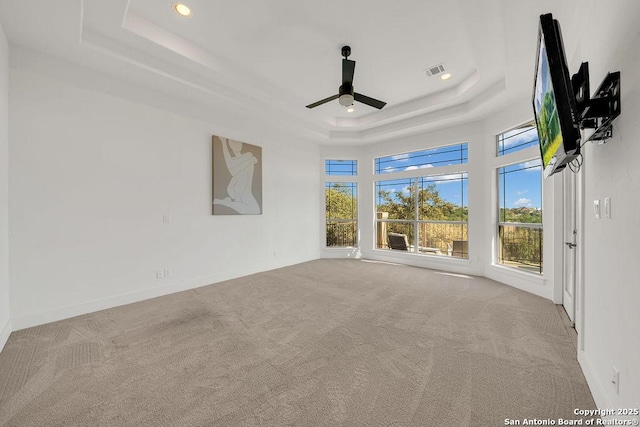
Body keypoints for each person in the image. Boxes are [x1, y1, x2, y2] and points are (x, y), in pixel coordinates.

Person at [213, 138, 260, 214]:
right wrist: (224, 143)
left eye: (239, 143)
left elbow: (232, 166)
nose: (237, 145)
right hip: (234, 190)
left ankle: (223, 202)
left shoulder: (248, 154)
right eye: (232, 143)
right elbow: (233, 171)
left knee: (256, 210)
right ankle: (226, 201)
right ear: (230, 146)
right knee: (243, 174)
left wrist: (247, 161)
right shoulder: (234, 160)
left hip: (246, 195)